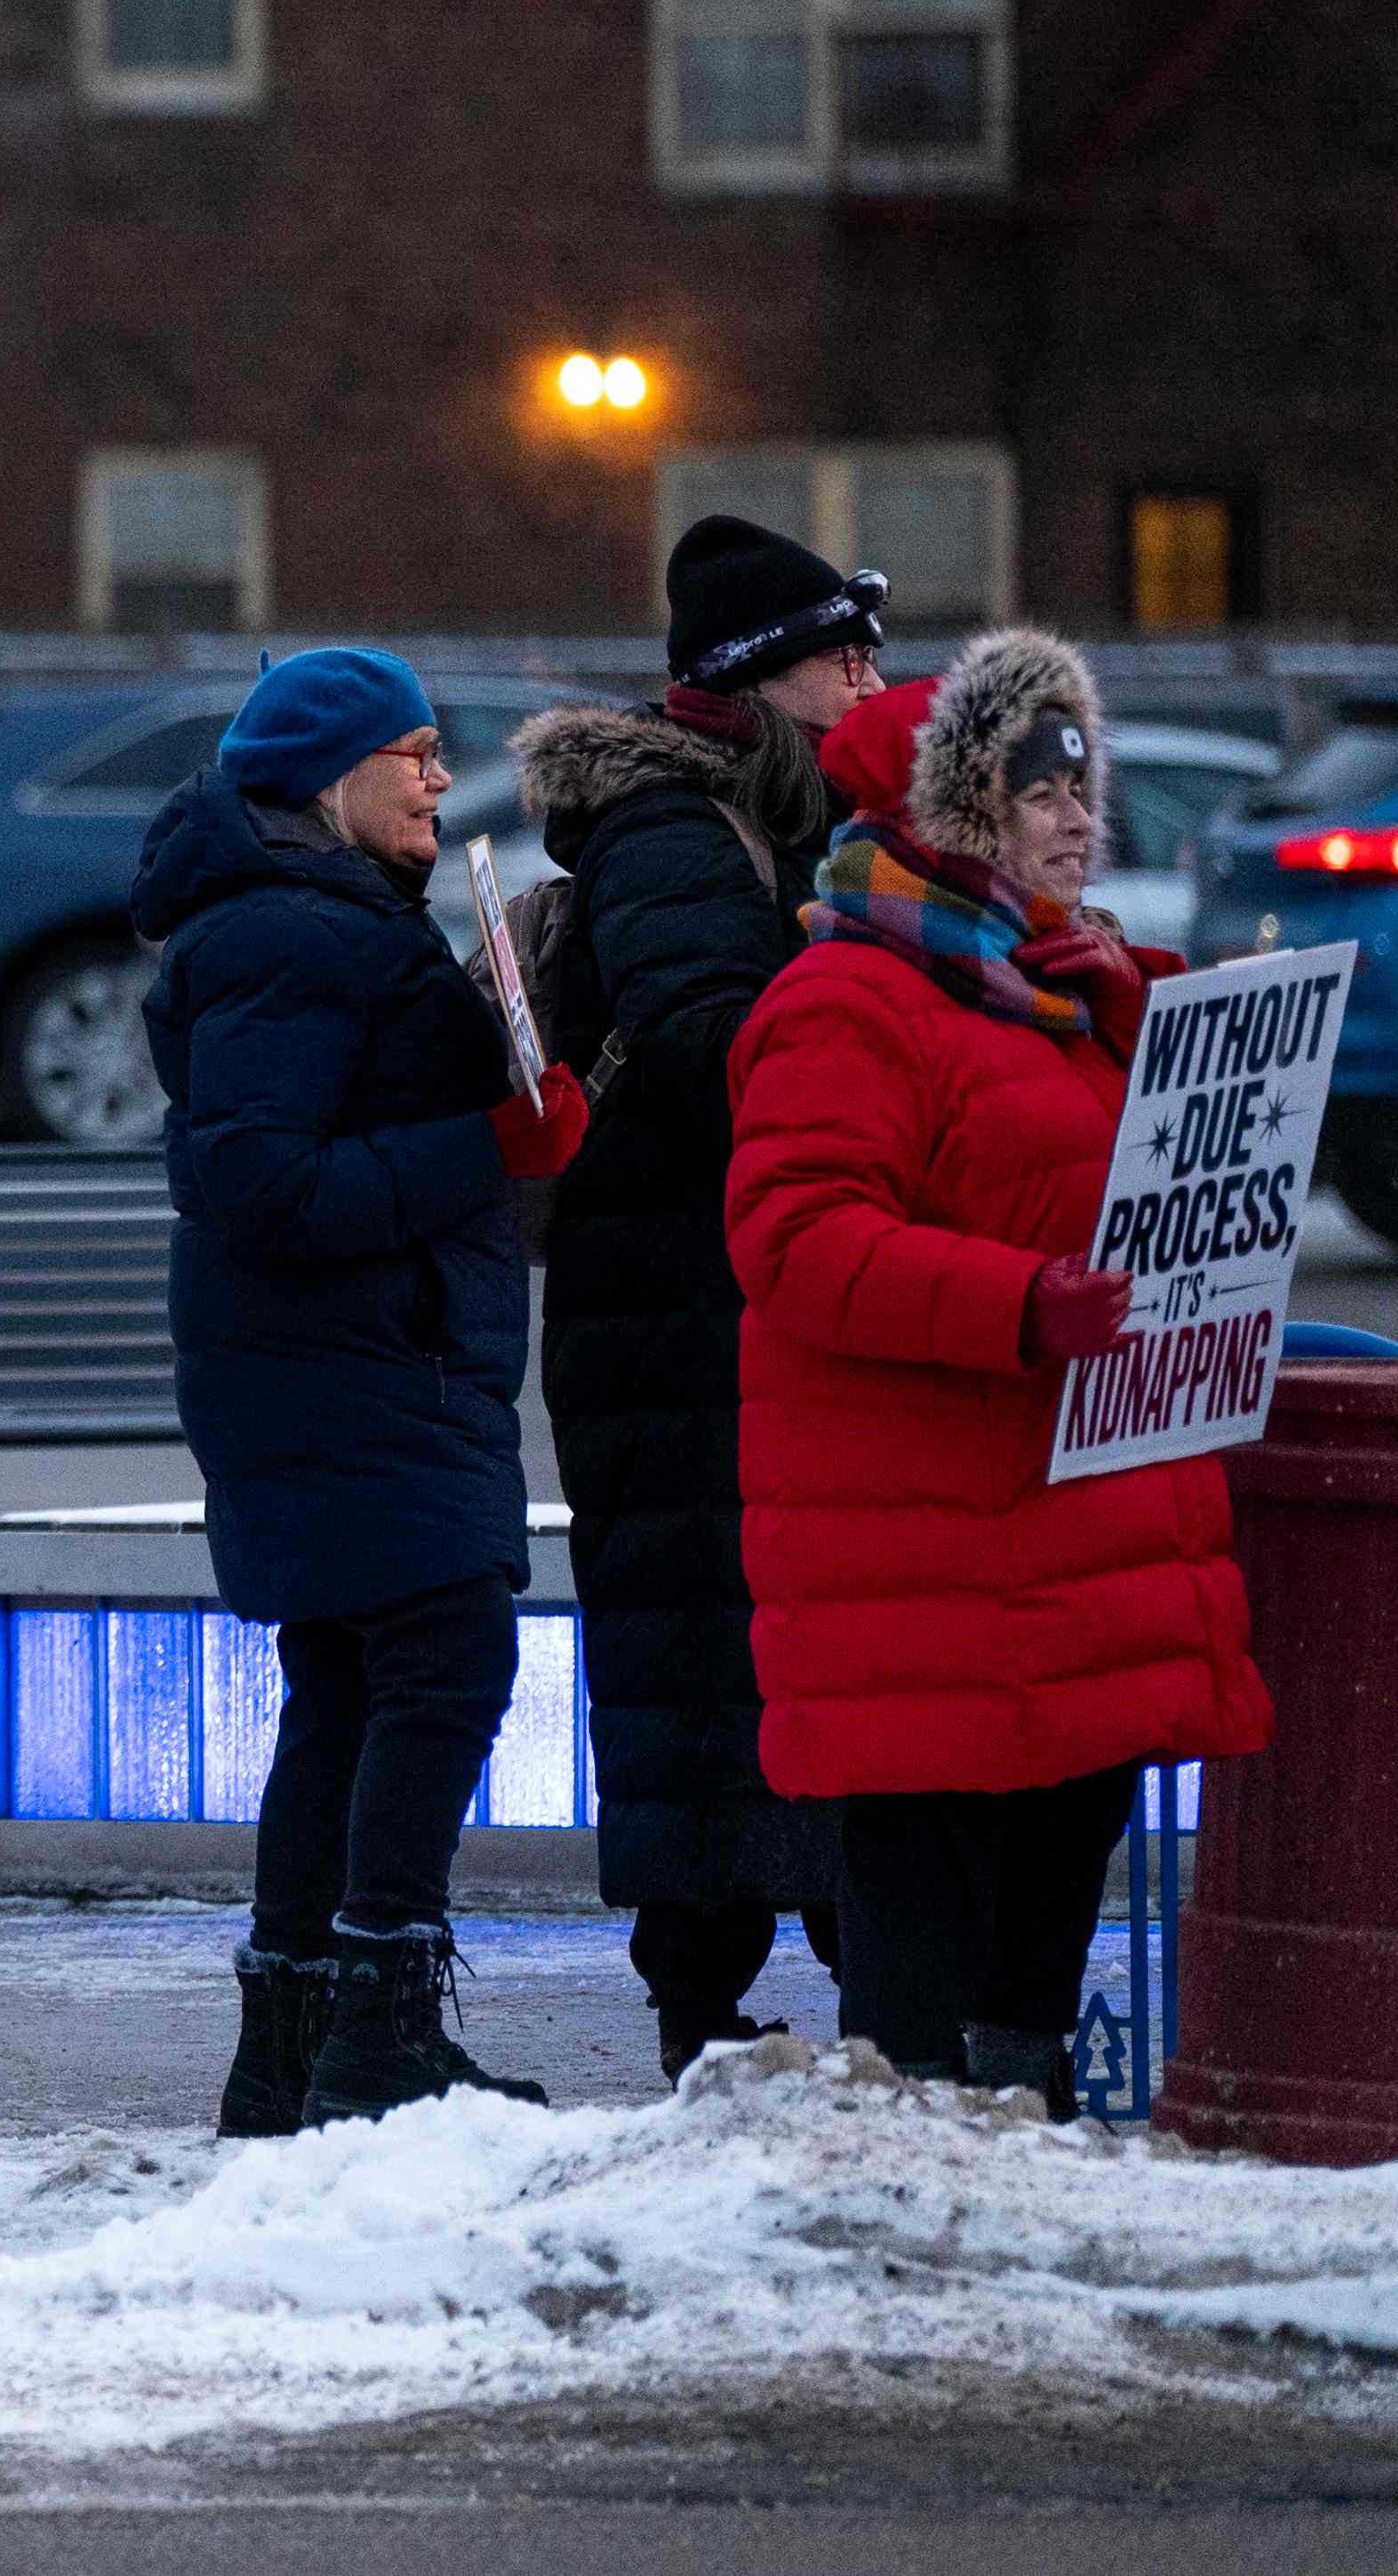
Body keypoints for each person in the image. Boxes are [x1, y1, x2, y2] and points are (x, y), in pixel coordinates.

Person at [727, 630, 1272, 2115]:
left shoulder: (1055, 993)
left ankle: (1017, 2154)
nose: (1076, 817)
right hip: (930, 1561)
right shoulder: (850, 998)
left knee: (1046, 1909)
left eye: (1083, 785)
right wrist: (1022, 1304)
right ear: (945, 812)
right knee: (929, 1940)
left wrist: (1130, 1010)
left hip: (1067, 1544)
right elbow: (797, 1236)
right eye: (1039, 790)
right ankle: (908, 2185)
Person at [135, 646, 585, 2134]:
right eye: (417, 751)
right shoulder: (288, 935)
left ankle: (292, 2049)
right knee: (445, 1663)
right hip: (357, 1376)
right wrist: (491, 1149)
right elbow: (262, 1182)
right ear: (332, 775)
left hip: (359, 1373)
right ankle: (376, 2025)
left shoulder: (317, 921)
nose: (444, 777)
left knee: (344, 1688)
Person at [510, 517, 886, 2076]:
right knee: (699, 1656)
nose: (868, 677)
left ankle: (768, 1984)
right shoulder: (678, 835)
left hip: (704, 1322)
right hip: (677, 1327)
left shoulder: (768, 818)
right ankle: (713, 2005)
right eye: (839, 654)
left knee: (741, 1650)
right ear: (753, 679)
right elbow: (718, 1056)